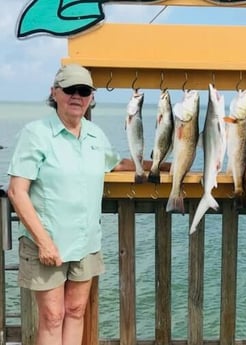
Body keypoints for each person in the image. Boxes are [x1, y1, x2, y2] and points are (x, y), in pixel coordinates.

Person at [7, 64, 145, 345]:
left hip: (86, 242)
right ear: (54, 93)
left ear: (91, 97)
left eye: (84, 91)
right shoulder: (35, 134)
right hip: (47, 243)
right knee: (52, 317)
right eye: (70, 89)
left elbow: (117, 163)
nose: (77, 96)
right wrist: (44, 242)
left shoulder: (95, 134)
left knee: (76, 310)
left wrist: (168, 164)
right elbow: (16, 191)